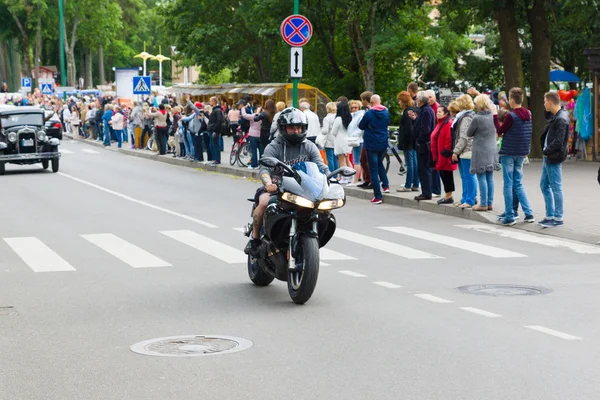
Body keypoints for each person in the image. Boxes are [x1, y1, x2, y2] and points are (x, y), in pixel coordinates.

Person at [244, 108, 330, 257]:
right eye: (292, 127)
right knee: (264, 202)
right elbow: (264, 168)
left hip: (302, 189)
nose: (296, 131)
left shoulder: (309, 146)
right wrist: (268, 183)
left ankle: (310, 242)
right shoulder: (274, 146)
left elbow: (320, 166)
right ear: (283, 128)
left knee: (323, 209)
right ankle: (255, 239)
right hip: (277, 188)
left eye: (299, 127)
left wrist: (331, 178)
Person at [492, 87, 535, 225]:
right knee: (518, 183)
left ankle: (510, 215)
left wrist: (494, 116)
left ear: (511, 100)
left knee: (508, 184)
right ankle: (528, 213)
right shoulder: (528, 113)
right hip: (522, 152)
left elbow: (500, 130)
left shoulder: (511, 116)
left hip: (509, 152)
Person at [538, 91, 570, 228]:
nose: (544, 104)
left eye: (545, 101)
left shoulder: (561, 118)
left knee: (556, 187)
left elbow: (559, 141)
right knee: (544, 185)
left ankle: (558, 218)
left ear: (550, 102)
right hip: (549, 157)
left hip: (553, 157)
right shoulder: (557, 115)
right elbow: (546, 116)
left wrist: (546, 151)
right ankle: (550, 215)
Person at [467, 95, 501, 211]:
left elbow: (469, 133)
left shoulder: (477, 118)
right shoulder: (493, 116)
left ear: (480, 104)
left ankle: (483, 203)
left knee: (481, 176)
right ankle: (490, 203)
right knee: (490, 177)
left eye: (476, 103)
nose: (475, 105)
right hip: (492, 149)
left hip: (480, 149)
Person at [358, 94, 390, 204]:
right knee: (380, 163)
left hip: (371, 142)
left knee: (373, 169)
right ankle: (385, 185)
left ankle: (378, 196)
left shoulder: (370, 113)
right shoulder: (386, 112)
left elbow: (361, 126)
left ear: (371, 102)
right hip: (383, 142)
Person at [412, 91, 436, 201]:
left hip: (423, 144)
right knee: (424, 169)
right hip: (424, 143)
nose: (416, 101)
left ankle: (426, 192)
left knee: (423, 169)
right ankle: (426, 191)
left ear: (420, 100)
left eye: (417, 99)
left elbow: (425, 129)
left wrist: (419, 140)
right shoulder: (426, 110)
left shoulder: (426, 111)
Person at [430, 106, 457, 204]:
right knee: (443, 174)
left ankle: (448, 196)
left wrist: (445, 152)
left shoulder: (447, 123)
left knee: (447, 175)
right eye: (437, 111)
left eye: (440, 112)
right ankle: (447, 195)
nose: (437, 113)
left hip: (444, 155)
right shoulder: (440, 123)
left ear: (446, 113)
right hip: (439, 154)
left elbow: (449, 139)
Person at [396, 91, 420, 192]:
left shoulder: (407, 113)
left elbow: (407, 130)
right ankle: (415, 183)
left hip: (408, 142)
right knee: (414, 163)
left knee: (410, 163)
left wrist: (402, 142)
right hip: (414, 141)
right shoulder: (415, 110)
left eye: (400, 101)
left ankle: (407, 185)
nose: (399, 103)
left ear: (403, 101)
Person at [332, 101, 353, 183]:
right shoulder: (350, 118)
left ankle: (344, 178)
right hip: (348, 140)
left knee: (341, 161)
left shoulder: (338, 119)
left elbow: (333, 132)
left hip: (340, 141)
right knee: (348, 160)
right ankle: (351, 177)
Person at [347, 100, 365, 186]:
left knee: (356, 161)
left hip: (357, 139)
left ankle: (355, 180)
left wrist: (353, 135)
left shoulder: (360, 115)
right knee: (358, 160)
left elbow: (360, 129)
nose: (354, 109)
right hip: (356, 139)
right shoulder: (354, 115)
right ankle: (361, 178)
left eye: (355, 107)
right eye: (352, 107)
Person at [320, 102, 338, 172]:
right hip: (336, 140)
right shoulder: (337, 117)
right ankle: (336, 173)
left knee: (329, 158)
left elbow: (325, 131)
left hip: (328, 140)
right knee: (335, 158)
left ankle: (331, 173)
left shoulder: (327, 118)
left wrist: (320, 131)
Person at [207, 96, 224, 165]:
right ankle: (214, 159)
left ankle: (217, 159)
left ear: (214, 101)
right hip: (212, 129)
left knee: (215, 145)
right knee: (212, 145)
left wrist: (214, 129)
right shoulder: (215, 110)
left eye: (210, 101)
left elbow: (219, 120)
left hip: (215, 130)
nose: (209, 102)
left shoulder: (217, 110)